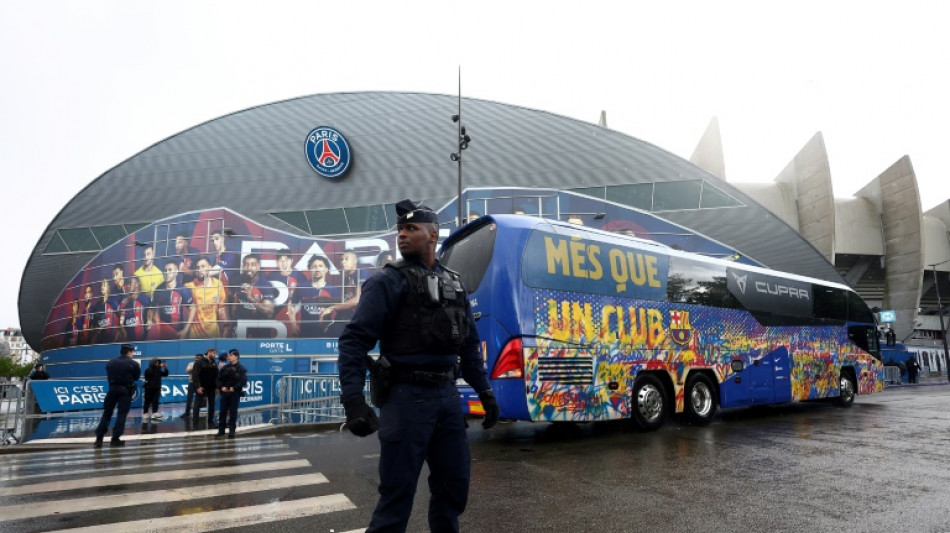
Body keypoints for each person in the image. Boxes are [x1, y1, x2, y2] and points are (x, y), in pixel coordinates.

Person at [338, 199, 499, 533]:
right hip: (405, 399)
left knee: (453, 490)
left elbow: (468, 345)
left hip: (446, 399)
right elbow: (353, 341)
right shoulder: (386, 282)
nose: (402, 235)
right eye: (400, 229)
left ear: (433, 235)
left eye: (411, 228)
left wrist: (485, 391)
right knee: (396, 499)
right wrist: (353, 401)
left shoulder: (454, 283)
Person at [94, 344, 141, 448]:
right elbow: (136, 377)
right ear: (129, 352)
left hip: (112, 390)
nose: (133, 354)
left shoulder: (111, 363)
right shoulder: (133, 364)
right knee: (122, 415)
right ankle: (115, 439)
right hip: (125, 391)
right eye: (132, 352)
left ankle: (99, 439)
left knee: (106, 414)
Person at [288, 256, 340, 338]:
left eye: (320, 266)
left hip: (326, 334)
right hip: (305, 333)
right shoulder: (301, 287)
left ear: (326, 269)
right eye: (314, 266)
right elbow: (291, 306)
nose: (317, 269)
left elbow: (341, 310)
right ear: (310, 269)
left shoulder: (333, 290)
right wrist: (293, 325)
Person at [232, 253, 277, 338]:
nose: (249, 268)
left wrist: (251, 298)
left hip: (259, 327)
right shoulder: (237, 281)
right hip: (240, 325)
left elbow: (269, 312)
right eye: (246, 264)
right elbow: (232, 304)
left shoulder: (265, 285)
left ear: (258, 266)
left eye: (253, 265)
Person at [148, 261, 196, 340]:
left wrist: (186, 329)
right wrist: (150, 320)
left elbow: (192, 308)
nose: (167, 273)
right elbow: (151, 308)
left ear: (176, 271)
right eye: (165, 270)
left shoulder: (183, 290)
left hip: (178, 333)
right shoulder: (158, 290)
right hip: (163, 333)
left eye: (170, 270)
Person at [186, 257, 229, 338]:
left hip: (214, 334)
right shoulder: (189, 287)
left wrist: (226, 327)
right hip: (195, 336)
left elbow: (221, 308)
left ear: (210, 268)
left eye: (203, 266)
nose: (200, 270)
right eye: (198, 267)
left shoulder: (218, 284)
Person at [216, 348, 248, 439]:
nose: (228, 357)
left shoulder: (241, 369)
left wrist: (234, 388)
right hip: (224, 393)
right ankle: (221, 431)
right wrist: (221, 387)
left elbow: (243, 381)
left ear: (236, 356)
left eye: (231, 355)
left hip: (235, 393)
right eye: (228, 355)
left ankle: (231, 431)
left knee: (233, 412)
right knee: (222, 412)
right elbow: (219, 379)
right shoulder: (225, 368)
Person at [118, 277, 150, 342]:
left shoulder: (144, 299)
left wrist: (149, 319)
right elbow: (121, 318)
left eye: (130, 283)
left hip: (143, 341)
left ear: (136, 284)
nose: (128, 286)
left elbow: (150, 312)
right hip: (129, 342)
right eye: (128, 284)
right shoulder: (124, 302)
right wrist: (122, 328)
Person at [192, 348, 219, 426]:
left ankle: (210, 422)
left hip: (211, 388)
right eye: (214, 353)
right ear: (209, 352)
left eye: (215, 354)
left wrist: (217, 387)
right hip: (202, 387)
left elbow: (217, 375)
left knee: (212, 405)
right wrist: (197, 387)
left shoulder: (214, 363)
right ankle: (195, 424)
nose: (215, 355)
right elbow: (195, 375)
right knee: (197, 405)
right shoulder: (199, 362)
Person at [180, 353, 203, 418]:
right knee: (189, 398)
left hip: (200, 383)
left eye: (198, 358)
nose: (197, 359)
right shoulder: (191, 364)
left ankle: (197, 412)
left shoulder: (203, 364)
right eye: (196, 357)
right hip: (192, 382)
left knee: (199, 399)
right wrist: (195, 366)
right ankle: (187, 413)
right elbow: (187, 371)